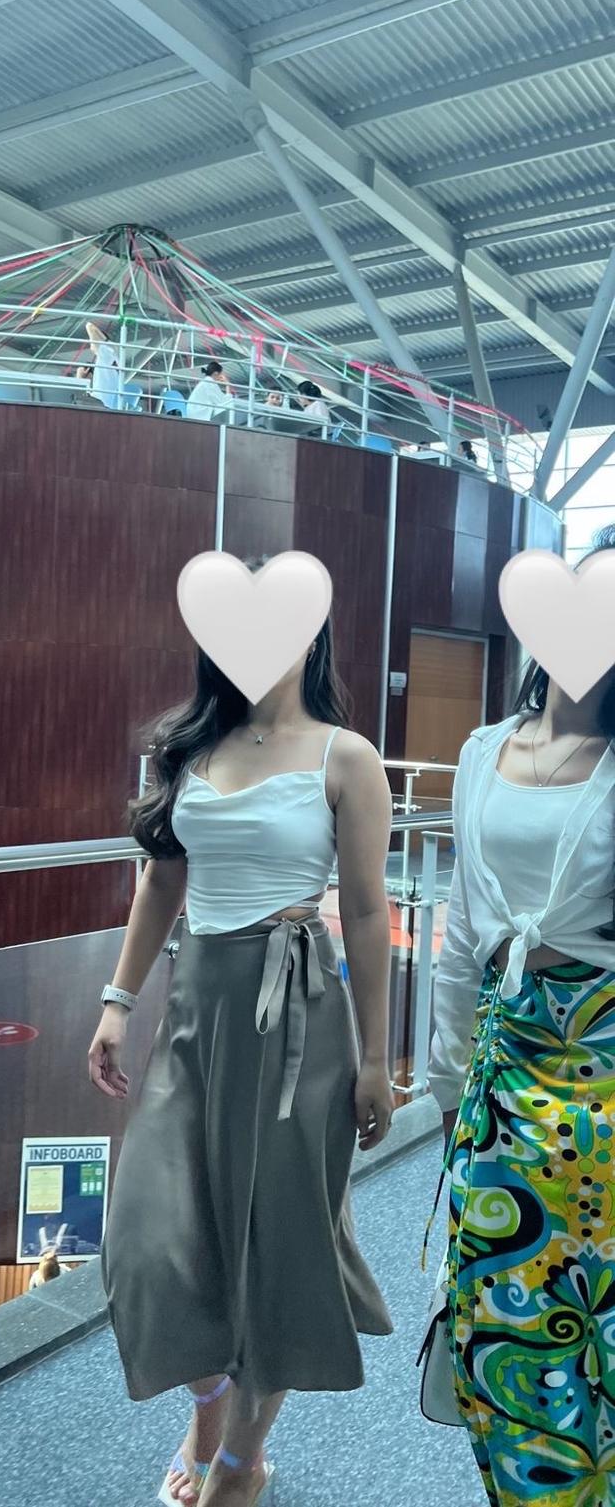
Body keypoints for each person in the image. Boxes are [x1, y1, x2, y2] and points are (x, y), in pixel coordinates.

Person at [89, 558, 394, 1507]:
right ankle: (209, 1397)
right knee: (147, 1234)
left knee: (279, 1243)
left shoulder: (346, 756)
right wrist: (117, 999)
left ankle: (241, 1457)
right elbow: (162, 879)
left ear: (312, 634)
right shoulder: (191, 747)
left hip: (299, 1021)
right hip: (197, 1014)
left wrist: (377, 1061)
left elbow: (369, 913)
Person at [427, 524, 615, 1507]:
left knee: (603, 1324)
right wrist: (447, 1082)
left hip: (608, 1064)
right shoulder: (482, 751)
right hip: (505, 1070)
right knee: (496, 1314)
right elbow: (461, 931)